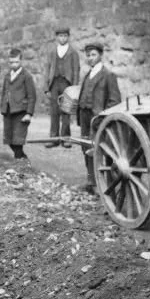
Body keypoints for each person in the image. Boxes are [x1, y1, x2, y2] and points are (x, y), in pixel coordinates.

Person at [76, 42, 121, 191]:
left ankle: (107, 185)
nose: (90, 58)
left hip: (99, 119)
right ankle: (91, 182)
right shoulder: (87, 75)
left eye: (93, 55)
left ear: (101, 55)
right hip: (85, 116)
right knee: (86, 148)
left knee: (101, 149)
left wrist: (103, 116)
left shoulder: (108, 75)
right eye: (88, 55)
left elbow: (115, 100)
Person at [44, 25, 80, 148]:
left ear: (68, 37)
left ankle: (65, 138)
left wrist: (74, 88)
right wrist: (46, 88)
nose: (63, 38)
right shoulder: (52, 52)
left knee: (66, 110)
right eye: (60, 36)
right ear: (56, 37)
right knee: (54, 111)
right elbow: (47, 68)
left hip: (66, 83)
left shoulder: (72, 52)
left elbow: (76, 70)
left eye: (65, 36)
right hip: (54, 83)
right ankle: (53, 138)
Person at [0, 47, 38, 159]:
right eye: (11, 62)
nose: (14, 65)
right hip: (8, 111)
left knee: (18, 140)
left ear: (21, 61)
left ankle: (20, 162)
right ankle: (22, 159)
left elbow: (32, 96)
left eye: (16, 62)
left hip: (21, 112)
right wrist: (3, 107)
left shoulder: (26, 76)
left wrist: (29, 113)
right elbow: (4, 93)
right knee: (9, 139)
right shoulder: (7, 76)